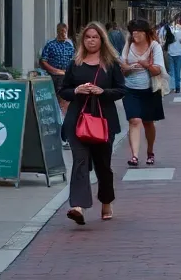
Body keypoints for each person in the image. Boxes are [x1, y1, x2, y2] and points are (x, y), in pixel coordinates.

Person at [59, 23, 125, 225]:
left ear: (102, 40)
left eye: (95, 37)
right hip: (77, 119)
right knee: (80, 161)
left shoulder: (111, 63)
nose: (91, 40)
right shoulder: (75, 63)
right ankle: (78, 206)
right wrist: (77, 90)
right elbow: (64, 90)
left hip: (103, 120)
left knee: (102, 165)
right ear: (82, 40)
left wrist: (102, 92)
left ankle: (106, 200)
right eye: (87, 37)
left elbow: (122, 90)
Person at [120, 19, 166, 166]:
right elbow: (123, 67)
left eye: (138, 32)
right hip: (130, 89)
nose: (135, 35)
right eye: (133, 32)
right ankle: (134, 156)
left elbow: (158, 69)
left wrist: (146, 64)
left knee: (148, 122)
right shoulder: (128, 45)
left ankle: (150, 151)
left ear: (146, 33)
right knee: (134, 120)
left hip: (150, 89)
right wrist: (127, 68)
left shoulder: (154, 46)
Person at [39, 23, 75, 114]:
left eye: (65, 32)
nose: (64, 34)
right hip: (53, 75)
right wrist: (54, 70)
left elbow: (74, 60)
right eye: (62, 32)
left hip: (66, 74)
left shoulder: (69, 45)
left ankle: (62, 115)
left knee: (64, 98)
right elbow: (43, 61)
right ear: (57, 32)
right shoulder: (50, 45)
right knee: (53, 97)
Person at [164, 15, 181, 93]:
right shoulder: (178, 31)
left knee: (172, 71)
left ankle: (172, 86)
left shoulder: (165, 32)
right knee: (178, 71)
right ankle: (177, 88)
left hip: (170, 53)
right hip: (178, 54)